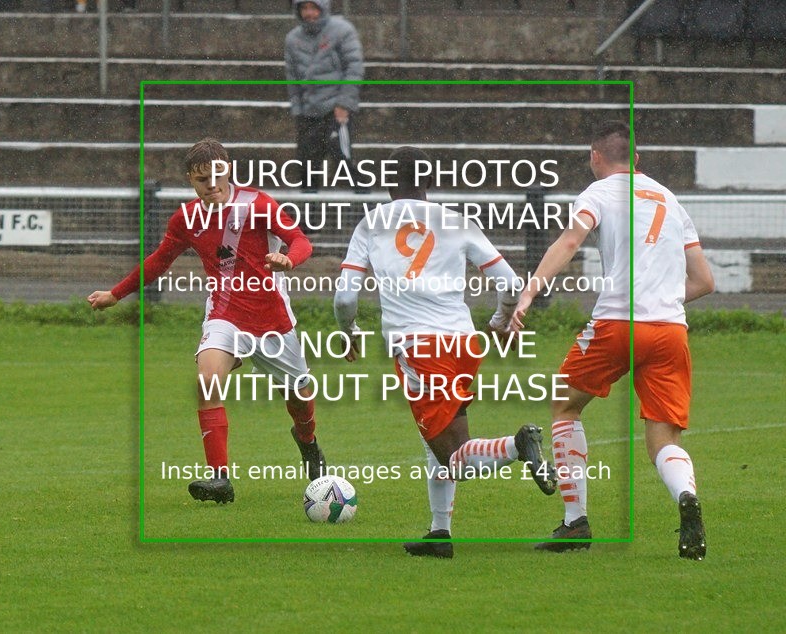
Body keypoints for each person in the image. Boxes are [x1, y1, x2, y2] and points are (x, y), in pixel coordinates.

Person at [334, 146, 557, 558]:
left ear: (388, 184)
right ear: (428, 184)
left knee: (453, 456)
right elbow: (510, 284)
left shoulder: (372, 224)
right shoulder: (457, 221)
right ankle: (440, 534)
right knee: (434, 440)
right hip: (462, 343)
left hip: (419, 348)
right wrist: (500, 322)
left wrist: (348, 331)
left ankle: (517, 444)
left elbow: (345, 298)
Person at [510, 121, 715, 560]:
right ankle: (686, 498)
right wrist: (660, 299)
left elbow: (569, 241)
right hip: (670, 331)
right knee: (664, 440)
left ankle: (575, 522)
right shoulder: (669, 198)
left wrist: (531, 289)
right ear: (638, 159)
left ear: (594, 157)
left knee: (565, 404)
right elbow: (704, 280)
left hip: (617, 324)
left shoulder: (598, 194)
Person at [88, 138, 327, 504]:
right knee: (207, 381)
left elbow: (299, 240)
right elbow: (158, 261)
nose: (211, 184)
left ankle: (307, 442)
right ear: (191, 180)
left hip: (271, 318)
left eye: (217, 175)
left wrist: (289, 260)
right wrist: (115, 294)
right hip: (224, 316)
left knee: (299, 397)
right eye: (202, 179)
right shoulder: (185, 219)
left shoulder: (257, 204)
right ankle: (220, 480)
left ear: (228, 168)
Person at [284, 0, 367, 192]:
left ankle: (367, 207)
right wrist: (298, 110)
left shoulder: (342, 30)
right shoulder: (292, 39)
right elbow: (292, 78)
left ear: (323, 9)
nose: (309, 13)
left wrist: (344, 104)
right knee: (306, 167)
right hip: (308, 112)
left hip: (335, 109)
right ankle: (307, 219)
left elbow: (354, 69)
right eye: (304, 8)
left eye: (313, 7)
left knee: (343, 161)